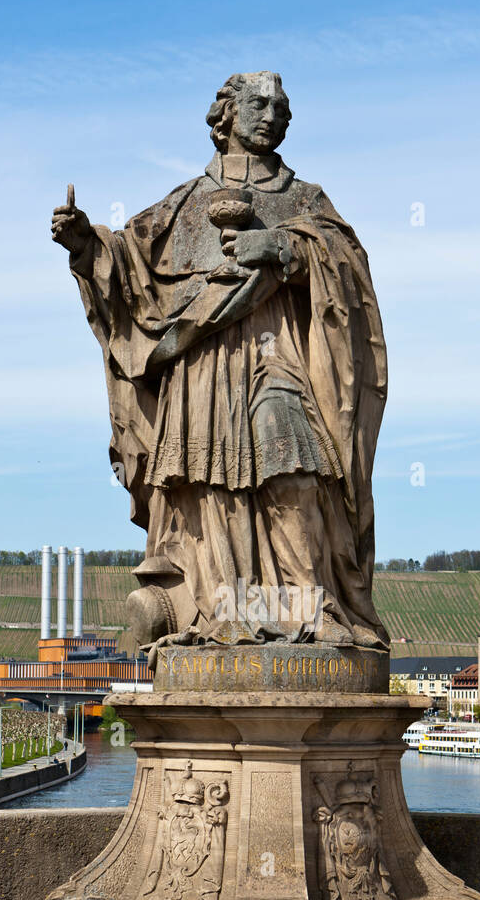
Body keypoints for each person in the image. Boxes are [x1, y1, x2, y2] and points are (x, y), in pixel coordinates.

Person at [52, 72, 389, 653]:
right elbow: (128, 268)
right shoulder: (184, 202)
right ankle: (227, 607)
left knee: (294, 463)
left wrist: (286, 247)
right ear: (226, 115)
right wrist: (85, 244)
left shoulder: (305, 200)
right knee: (212, 482)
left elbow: (350, 273)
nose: (274, 115)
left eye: (283, 107)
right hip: (201, 366)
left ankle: (310, 606)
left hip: (276, 351)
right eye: (260, 104)